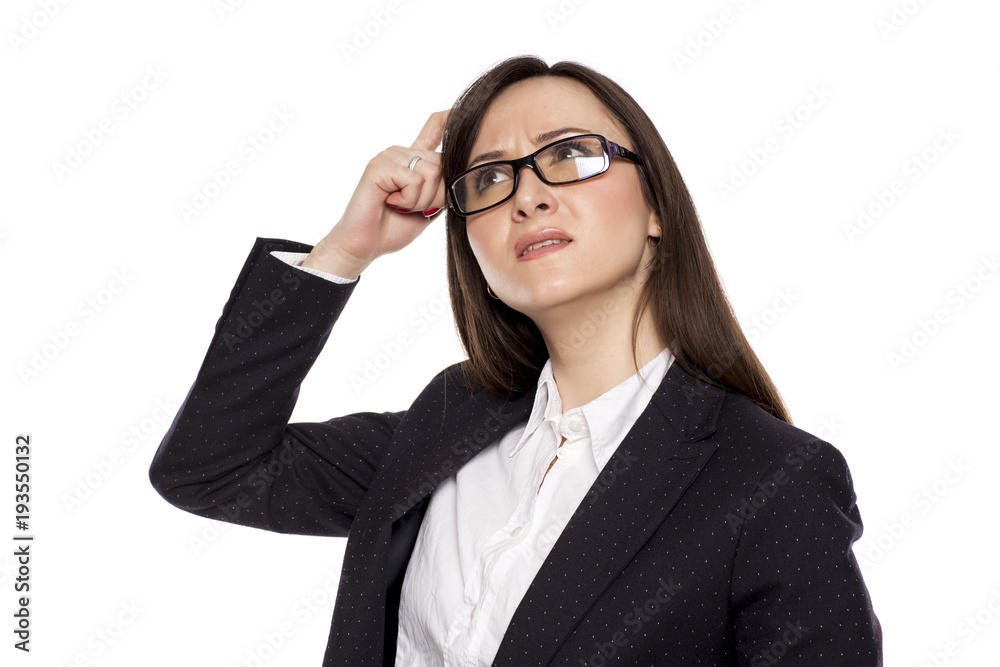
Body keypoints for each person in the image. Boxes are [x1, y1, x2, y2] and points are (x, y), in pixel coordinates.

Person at [149, 55, 882, 666]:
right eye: (490, 179)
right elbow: (211, 468)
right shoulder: (449, 420)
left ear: (657, 206)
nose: (526, 196)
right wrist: (346, 251)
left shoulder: (770, 480)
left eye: (568, 154)